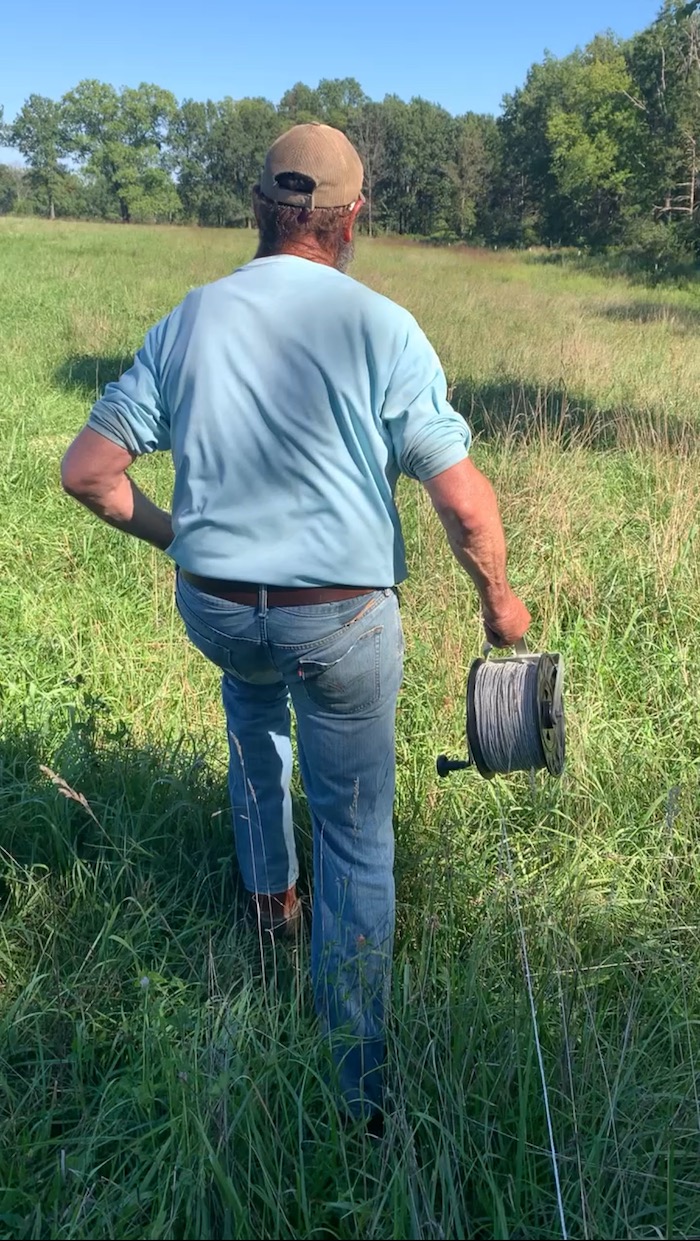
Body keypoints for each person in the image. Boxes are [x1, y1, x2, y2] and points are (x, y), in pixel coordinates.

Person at [61, 122, 530, 1128]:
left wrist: (181, 537)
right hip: (340, 620)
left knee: (252, 724)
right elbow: (464, 503)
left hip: (221, 607)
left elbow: (89, 474)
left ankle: (272, 906)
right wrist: (498, 601)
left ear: (259, 211)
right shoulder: (382, 326)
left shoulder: (190, 318)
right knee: (356, 834)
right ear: (348, 219)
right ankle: (358, 1085)